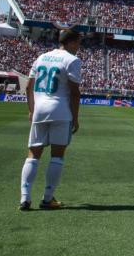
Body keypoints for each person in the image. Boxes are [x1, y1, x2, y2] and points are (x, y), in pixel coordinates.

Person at [19, 28, 82, 211]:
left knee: (33, 154)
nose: (78, 47)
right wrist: (75, 118)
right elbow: (74, 93)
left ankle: (25, 198)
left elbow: (29, 87)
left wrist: (31, 110)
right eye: (78, 42)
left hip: (39, 110)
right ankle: (47, 199)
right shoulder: (72, 60)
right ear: (70, 42)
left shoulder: (41, 57)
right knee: (57, 155)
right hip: (60, 110)